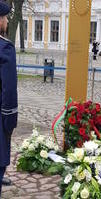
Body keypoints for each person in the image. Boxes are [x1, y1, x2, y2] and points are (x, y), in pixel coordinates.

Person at [0, 1, 18, 196]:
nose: (6, 22)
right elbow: (9, 90)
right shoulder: (5, 48)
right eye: (4, 18)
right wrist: (10, 120)